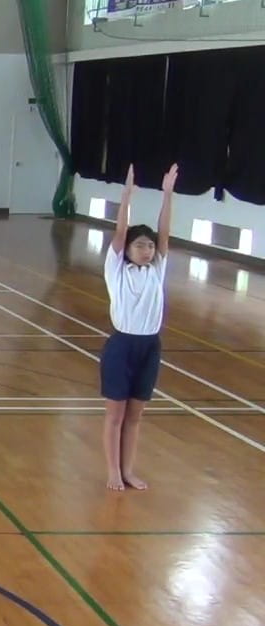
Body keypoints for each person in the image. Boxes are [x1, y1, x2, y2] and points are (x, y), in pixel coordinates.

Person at [100, 162, 175, 491]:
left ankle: (128, 470)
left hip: (150, 347)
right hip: (121, 346)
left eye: (150, 246)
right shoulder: (116, 270)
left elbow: (164, 233)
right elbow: (120, 233)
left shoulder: (156, 270)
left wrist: (167, 194)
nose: (147, 250)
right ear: (127, 249)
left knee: (135, 416)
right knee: (115, 415)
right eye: (140, 245)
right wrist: (126, 196)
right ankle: (113, 471)